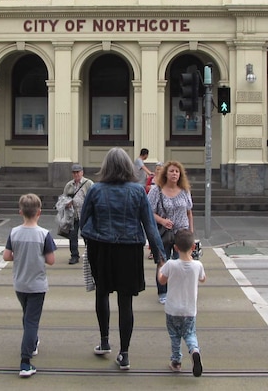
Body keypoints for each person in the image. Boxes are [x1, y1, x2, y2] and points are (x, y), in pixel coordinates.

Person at [79, 147, 166, 371]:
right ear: (129, 166)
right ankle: (124, 354)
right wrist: (160, 257)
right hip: (129, 250)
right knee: (125, 302)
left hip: (102, 249)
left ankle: (105, 341)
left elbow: (84, 221)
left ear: (106, 166)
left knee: (102, 293)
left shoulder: (96, 189)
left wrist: (91, 240)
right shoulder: (138, 191)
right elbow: (149, 226)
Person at [3, 194, 57, 378]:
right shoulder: (44, 234)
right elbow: (51, 260)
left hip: (20, 283)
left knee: (27, 316)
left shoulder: (14, 232)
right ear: (39, 212)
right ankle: (25, 361)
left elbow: (6, 256)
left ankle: (31, 343)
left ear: (20, 212)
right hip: (37, 284)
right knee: (32, 321)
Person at [157, 229, 206, 377]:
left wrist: (160, 267)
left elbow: (162, 280)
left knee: (175, 336)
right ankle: (194, 351)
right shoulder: (198, 265)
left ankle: (176, 362)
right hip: (189, 310)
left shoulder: (171, 264)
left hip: (172, 310)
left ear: (175, 248)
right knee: (190, 334)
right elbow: (203, 279)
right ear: (193, 247)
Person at [148, 160, 194, 304]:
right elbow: (148, 212)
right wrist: (162, 221)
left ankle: (177, 291)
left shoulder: (185, 190)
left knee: (181, 263)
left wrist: (191, 233)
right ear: (165, 174)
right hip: (163, 233)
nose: (174, 174)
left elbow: (189, 212)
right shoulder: (157, 190)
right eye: (171, 171)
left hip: (182, 233)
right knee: (163, 261)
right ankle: (163, 292)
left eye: (177, 171)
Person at [63, 163, 93, 265]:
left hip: (85, 214)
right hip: (73, 214)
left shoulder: (89, 183)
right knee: (72, 235)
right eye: (74, 172)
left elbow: (94, 198)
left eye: (78, 172)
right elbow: (64, 198)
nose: (76, 174)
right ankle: (74, 255)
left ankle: (90, 255)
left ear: (82, 172)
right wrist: (67, 203)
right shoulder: (69, 185)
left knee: (87, 235)